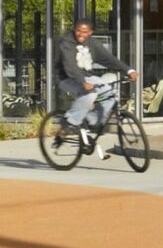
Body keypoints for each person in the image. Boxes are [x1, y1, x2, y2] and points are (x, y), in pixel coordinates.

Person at [52, 18, 134, 152]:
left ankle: (93, 122)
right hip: (66, 78)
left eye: (84, 32)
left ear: (90, 32)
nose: (80, 34)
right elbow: (70, 66)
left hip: (88, 77)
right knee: (90, 93)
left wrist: (128, 70)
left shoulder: (93, 43)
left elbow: (108, 59)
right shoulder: (67, 42)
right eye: (78, 31)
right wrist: (82, 82)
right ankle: (70, 121)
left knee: (110, 93)